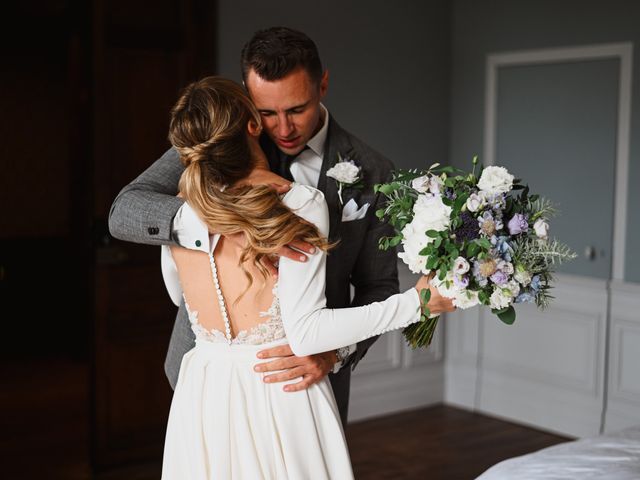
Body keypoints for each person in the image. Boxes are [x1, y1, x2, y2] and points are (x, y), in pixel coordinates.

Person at [108, 26, 409, 426]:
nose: (283, 129)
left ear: (323, 83)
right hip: (210, 378)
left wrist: (335, 354)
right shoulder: (219, 142)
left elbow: (379, 286)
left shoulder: (374, 171)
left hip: (306, 384)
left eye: (297, 109)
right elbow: (125, 210)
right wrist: (221, 220)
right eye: (267, 113)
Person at [158, 75, 454, 479]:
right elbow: (307, 334)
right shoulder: (298, 202)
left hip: (204, 388)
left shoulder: (177, 212)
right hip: (277, 392)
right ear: (252, 124)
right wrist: (416, 305)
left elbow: (179, 294)